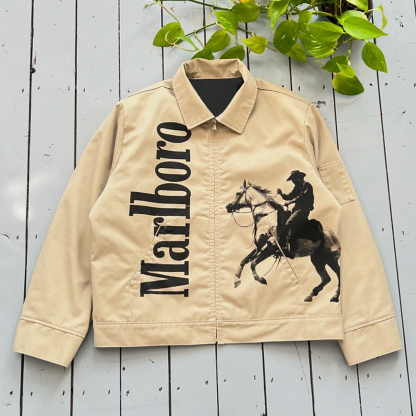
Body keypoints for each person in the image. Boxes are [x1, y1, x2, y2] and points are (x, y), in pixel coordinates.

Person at [276, 170, 314, 258]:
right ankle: (283, 245)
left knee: (289, 223)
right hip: (296, 209)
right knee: (283, 221)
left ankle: (291, 249)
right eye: (292, 179)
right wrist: (281, 194)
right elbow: (289, 196)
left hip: (303, 209)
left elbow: (301, 197)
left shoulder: (306, 185)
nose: (293, 181)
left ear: (299, 178)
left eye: (294, 179)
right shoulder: (297, 187)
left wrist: (289, 202)